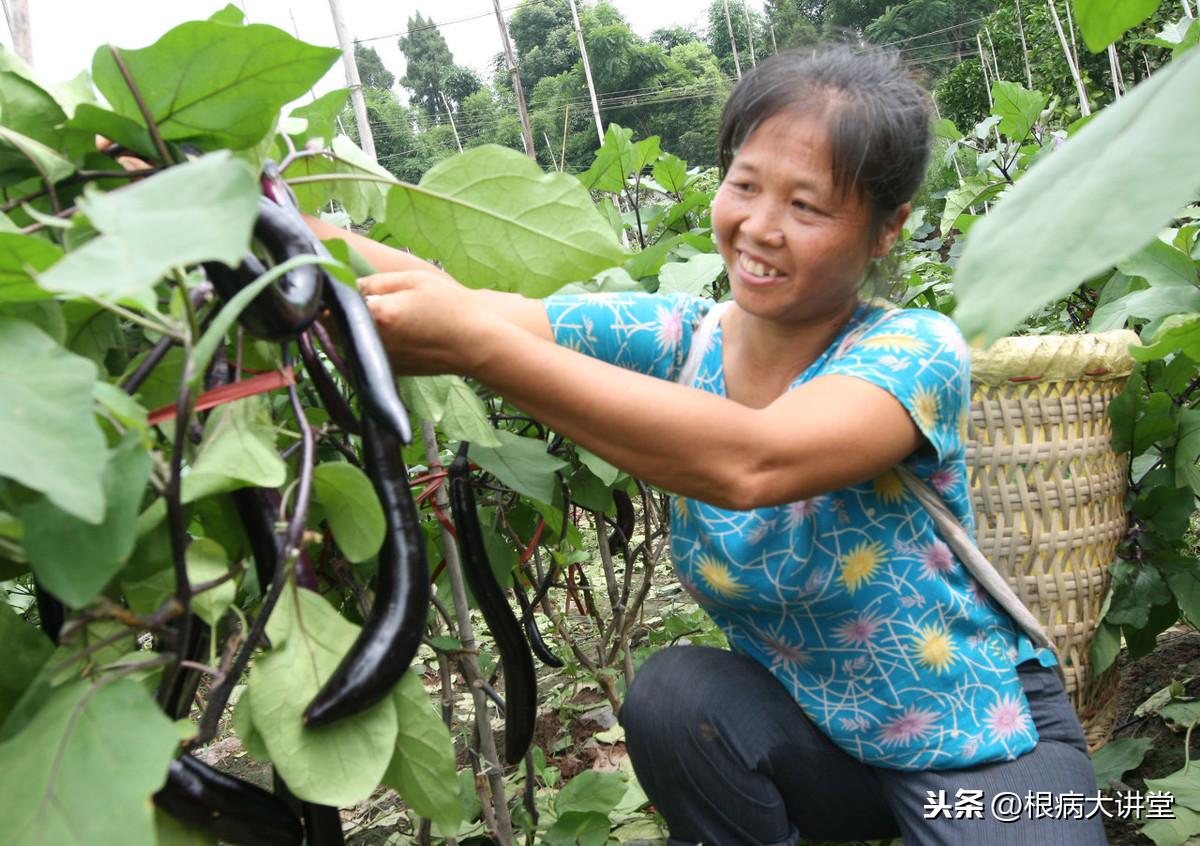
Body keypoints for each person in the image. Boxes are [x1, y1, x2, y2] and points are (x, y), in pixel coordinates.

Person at [312, 45, 1106, 846]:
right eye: (746, 185)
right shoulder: (681, 338)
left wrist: (473, 348)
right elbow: (464, 304)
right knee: (673, 696)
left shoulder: (913, 351)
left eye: (808, 206)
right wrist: (262, 212)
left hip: (976, 742)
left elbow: (753, 461)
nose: (760, 227)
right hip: (813, 742)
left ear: (885, 230)